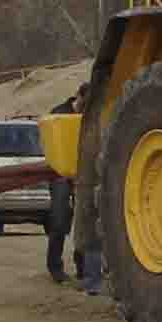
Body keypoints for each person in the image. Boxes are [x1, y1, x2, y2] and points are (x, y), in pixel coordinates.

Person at [43, 82, 102, 292]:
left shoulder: (93, 116)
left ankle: (83, 268)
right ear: (79, 96)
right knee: (59, 221)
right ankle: (55, 267)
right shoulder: (59, 115)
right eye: (87, 101)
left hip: (83, 174)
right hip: (60, 172)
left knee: (84, 220)